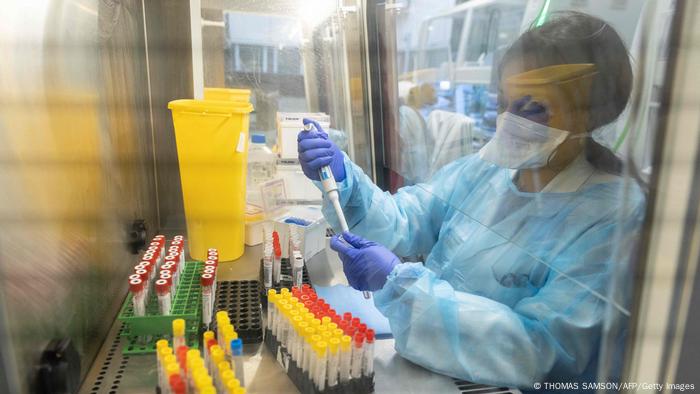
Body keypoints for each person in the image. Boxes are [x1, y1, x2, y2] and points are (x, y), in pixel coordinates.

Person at [297, 11, 645, 390]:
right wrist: (345, 179)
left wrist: (402, 285)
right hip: (432, 370)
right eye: (503, 103)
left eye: (532, 107)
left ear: (588, 113)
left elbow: (540, 351)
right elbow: (408, 218)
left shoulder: (613, 215)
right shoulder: (486, 171)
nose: (509, 121)